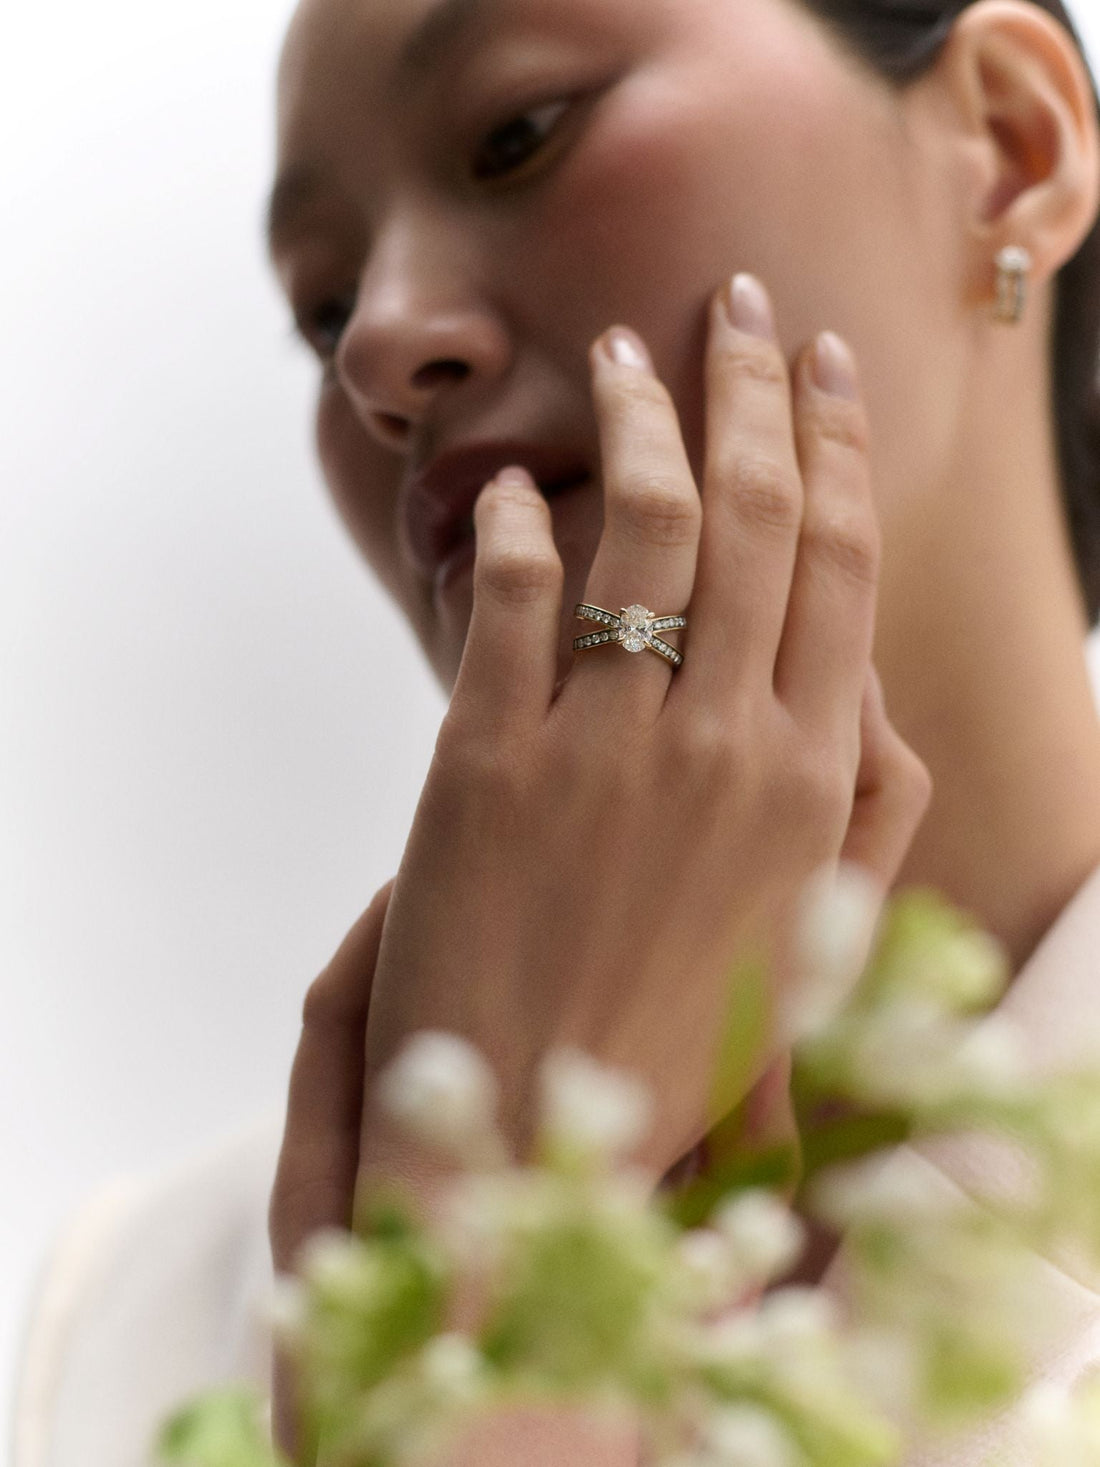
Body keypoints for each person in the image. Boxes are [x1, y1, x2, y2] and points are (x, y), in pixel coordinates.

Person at [14, 0, 1100, 1462]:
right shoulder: (116, 1334)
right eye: (321, 310)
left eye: (518, 133)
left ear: (1012, 145)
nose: (379, 350)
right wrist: (492, 1216)